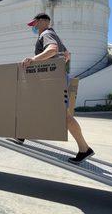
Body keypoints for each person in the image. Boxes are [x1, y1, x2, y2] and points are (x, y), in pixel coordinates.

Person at [20, 13, 94, 164]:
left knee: (63, 116)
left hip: (53, 80)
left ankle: (84, 149)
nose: (33, 27)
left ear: (42, 21)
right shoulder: (55, 35)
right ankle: (21, 134)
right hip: (54, 78)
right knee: (35, 106)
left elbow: (53, 50)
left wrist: (33, 59)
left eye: (34, 23)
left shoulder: (46, 34)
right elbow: (67, 55)